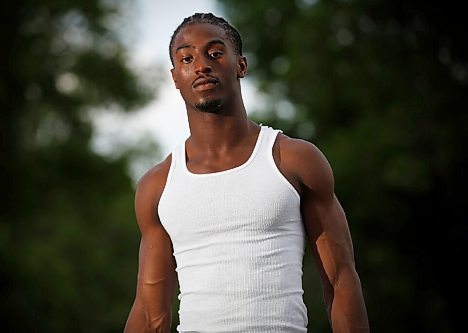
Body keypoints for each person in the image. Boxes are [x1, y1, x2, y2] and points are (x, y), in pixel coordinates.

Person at [123, 12, 369, 333]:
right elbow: (150, 313)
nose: (201, 65)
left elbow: (340, 281)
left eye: (214, 53)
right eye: (187, 58)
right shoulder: (157, 186)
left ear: (240, 65)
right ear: (175, 77)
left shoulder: (293, 160)